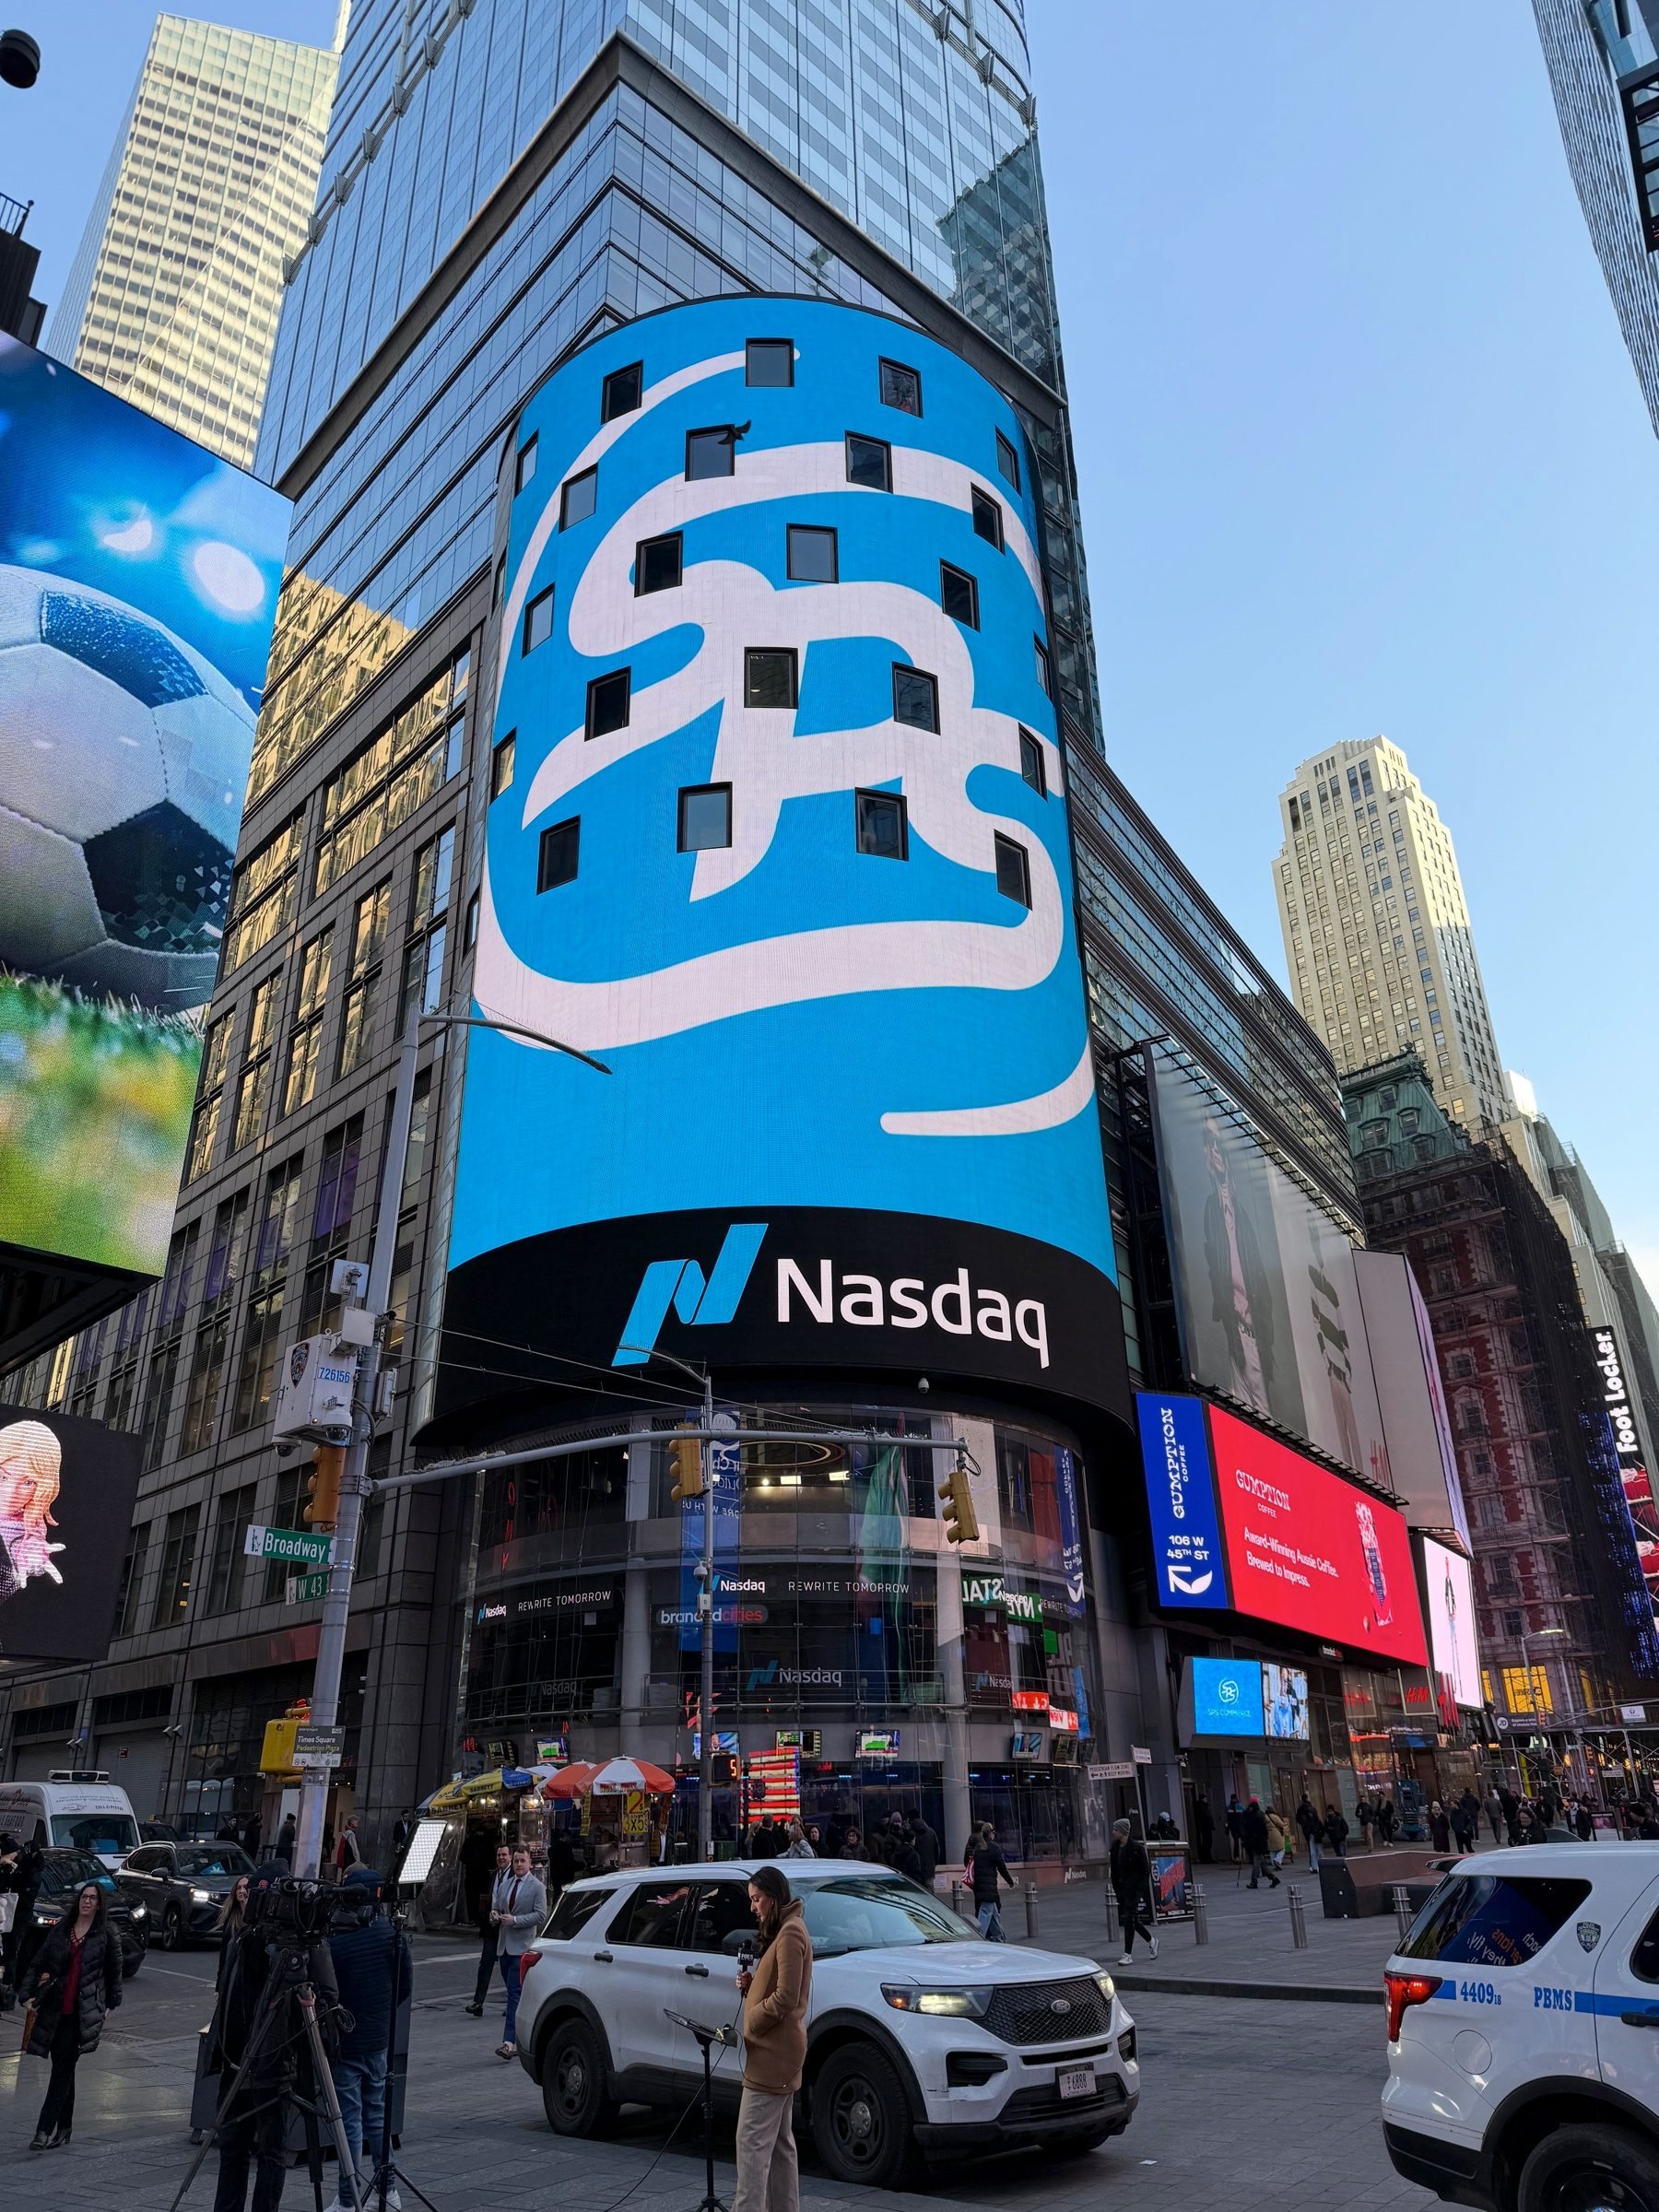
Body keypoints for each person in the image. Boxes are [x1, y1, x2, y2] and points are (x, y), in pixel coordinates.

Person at [209, 1870, 341, 2212]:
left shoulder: (308, 1943)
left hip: (276, 2065)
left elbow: (328, 2000)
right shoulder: (243, 1937)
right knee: (232, 2150)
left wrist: (308, 2006)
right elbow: (227, 1994)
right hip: (235, 2061)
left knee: (271, 2154)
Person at [327, 1866, 413, 2212]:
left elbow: (328, 1992)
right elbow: (403, 1987)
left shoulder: (338, 1939)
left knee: (349, 2120)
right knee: (376, 2115)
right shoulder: (392, 1934)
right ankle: (388, 2190)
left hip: (347, 2042)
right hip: (378, 2039)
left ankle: (348, 2199)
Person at [20, 1876, 122, 2151]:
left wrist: (110, 2005)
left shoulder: (106, 1934)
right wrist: (26, 1994)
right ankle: (65, 2128)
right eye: (84, 1897)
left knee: (62, 2069)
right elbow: (38, 1962)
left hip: (82, 2013)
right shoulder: (63, 1930)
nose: (86, 1902)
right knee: (64, 2069)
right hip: (55, 2009)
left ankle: (43, 2130)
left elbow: (114, 1973)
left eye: (92, 1898)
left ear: (100, 1904)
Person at [733, 1863, 810, 2212]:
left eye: (758, 1899)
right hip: (777, 2052)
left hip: (773, 2056)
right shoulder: (786, 1930)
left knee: (751, 2144)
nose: (754, 1907)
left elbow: (786, 1997)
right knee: (779, 2147)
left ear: (775, 1898)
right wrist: (751, 1990)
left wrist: (752, 2018)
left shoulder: (791, 1932)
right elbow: (777, 1989)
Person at [492, 1843, 546, 2057]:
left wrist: (516, 1920)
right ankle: (530, 2031)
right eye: (516, 1861)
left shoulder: (536, 1887)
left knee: (514, 1995)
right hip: (504, 1947)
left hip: (522, 1947)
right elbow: (497, 1907)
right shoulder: (506, 1885)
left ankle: (509, 2042)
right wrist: (495, 1916)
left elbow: (540, 1915)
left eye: (523, 1861)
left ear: (530, 1863)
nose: (519, 1864)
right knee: (518, 1996)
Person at [465, 1843, 511, 2018]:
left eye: (504, 1855)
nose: (501, 1858)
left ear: (510, 1858)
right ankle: (478, 2002)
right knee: (486, 1963)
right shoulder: (494, 1875)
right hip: (492, 1925)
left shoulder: (513, 1876)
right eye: (499, 1855)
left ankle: (513, 2003)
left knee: (507, 1965)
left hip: (507, 1925)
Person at [1110, 1819, 1158, 1964]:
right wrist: (1116, 1887)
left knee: (1129, 1919)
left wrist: (1139, 1888)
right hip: (1122, 1889)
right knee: (1133, 1919)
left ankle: (1127, 1954)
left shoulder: (1136, 1848)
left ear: (1123, 1831)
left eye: (1115, 1829)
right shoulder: (1115, 1847)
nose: (1113, 1832)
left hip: (1134, 1889)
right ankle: (1153, 1941)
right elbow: (1114, 1869)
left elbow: (1145, 1870)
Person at [968, 1822, 1015, 1941]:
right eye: (993, 1833)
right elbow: (1002, 1868)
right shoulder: (993, 1848)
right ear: (990, 1834)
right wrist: (1010, 1881)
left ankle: (1000, 1938)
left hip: (979, 1886)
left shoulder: (977, 1848)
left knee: (993, 1914)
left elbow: (968, 1863)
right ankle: (979, 1939)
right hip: (989, 1888)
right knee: (986, 1913)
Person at [216, 1876, 252, 1989]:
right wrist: (219, 1987)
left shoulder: (256, 1920)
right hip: (229, 1975)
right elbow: (224, 1954)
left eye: (245, 1887)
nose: (242, 1891)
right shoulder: (231, 1920)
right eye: (239, 1888)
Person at [1241, 1797, 1277, 1888]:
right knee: (1261, 1862)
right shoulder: (1259, 1815)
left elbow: (1251, 1830)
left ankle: (1254, 1881)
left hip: (1257, 1841)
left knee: (1256, 1862)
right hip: (1259, 1841)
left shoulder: (1254, 1817)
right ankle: (1273, 1878)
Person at [1295, 1794, 1322, 1868]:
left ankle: (1312, 1865)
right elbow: (1316, 1820)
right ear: (1307, 1798)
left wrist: (1304, 1825)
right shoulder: (1311, 1808)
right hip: (1313, 1830)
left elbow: (1298, 1820)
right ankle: (1315, 1865)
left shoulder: (1300, 1809)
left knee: (1311, 1847)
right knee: (1316, 1848)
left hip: (1306, 1830)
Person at [1193, 1792, 1215, 1865]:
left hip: (1205, 1827)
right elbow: (1205, 1818)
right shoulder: (1202, 1807)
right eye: (1205, 1798)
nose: (1206, 1799)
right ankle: (1206, 1858)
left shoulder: (1203, 1806)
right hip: (1205, 1827)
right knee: (1207, 1843)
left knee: (1207, 1843)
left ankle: (1207, 1857)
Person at [1265, 1804, 1288, 1871]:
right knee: (1282, 1848)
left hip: (1268, 1834)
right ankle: (1277, 1860)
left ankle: (1274, 1863)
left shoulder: (1264, 1817)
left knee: (1272, 1850)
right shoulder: (1275, 1817)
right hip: (1275, 1833)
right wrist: (1285, 1824)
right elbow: (1281, 1824)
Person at [1225, 1795, 1244, 1863]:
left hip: (1240, 1827)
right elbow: (1227, 1820)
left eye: (1234, 1799)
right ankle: (1237, 1857)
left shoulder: (1240, 1806)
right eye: (1233, 1799)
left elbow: (1244, 1817)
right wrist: (1227, 1829)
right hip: (1234, 1827)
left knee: (1244, 1841)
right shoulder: (1229, 1807)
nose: (1234, 1800)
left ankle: (1247, 1856)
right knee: (1236, 1842)